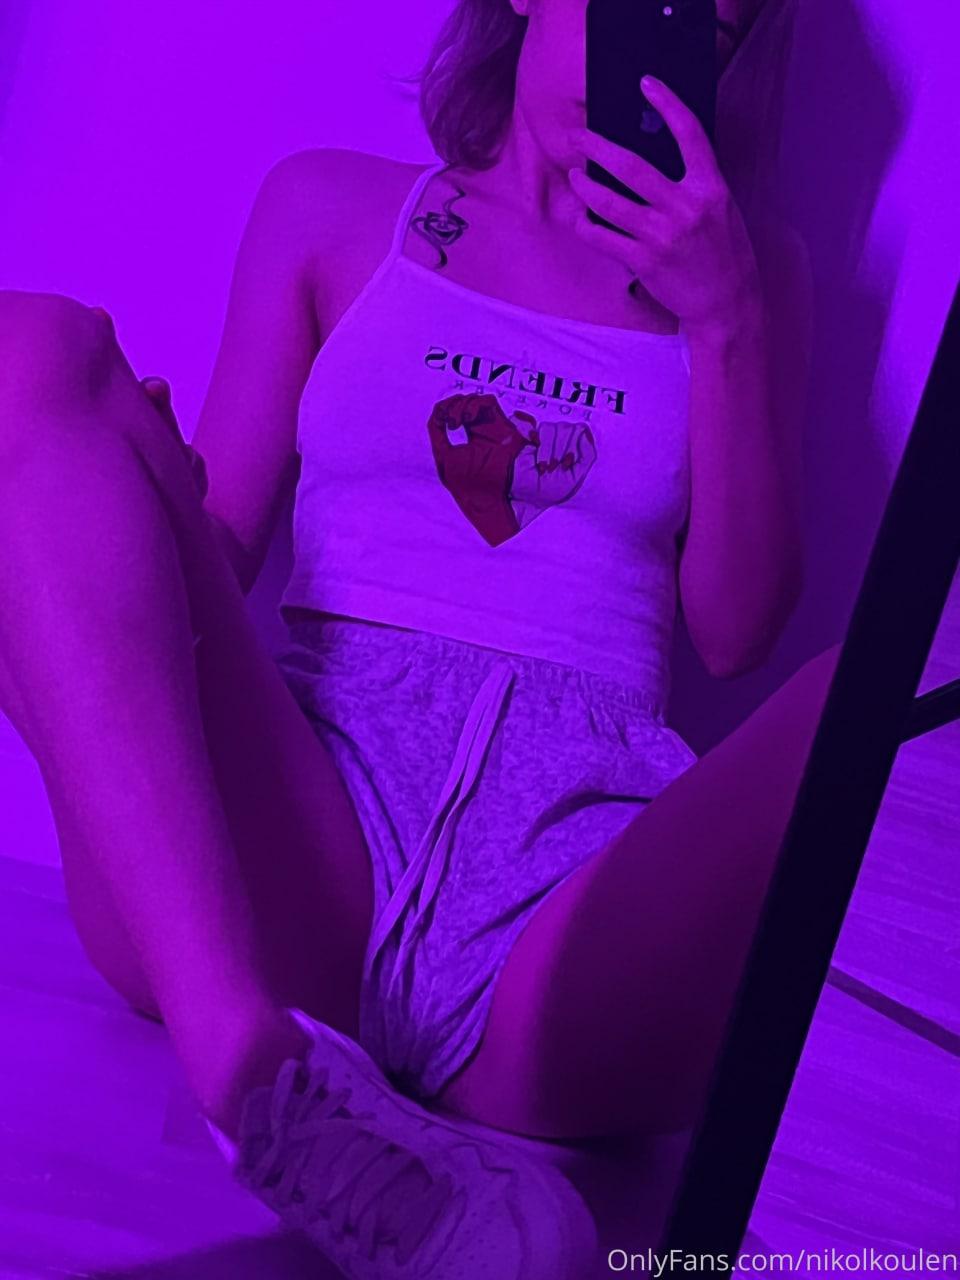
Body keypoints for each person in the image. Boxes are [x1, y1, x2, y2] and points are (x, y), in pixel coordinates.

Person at [0, 0, 838, 1275]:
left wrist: (727, 321)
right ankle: (248, 1062)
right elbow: (221, 540)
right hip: (297, 863)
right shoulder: (329, 208)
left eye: (708, 27)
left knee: (873, 683)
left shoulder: (751, 276)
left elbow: (737, 629)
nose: (662, 44)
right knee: (28, 353)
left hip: (567, 923)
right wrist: (132, 483)